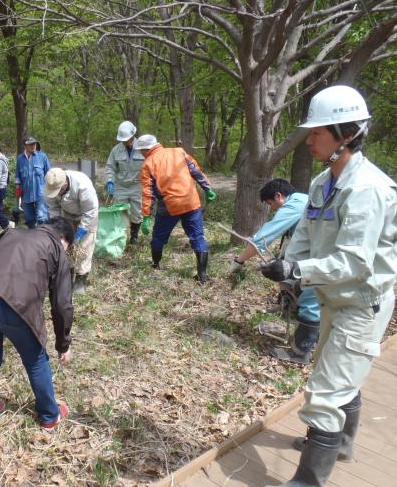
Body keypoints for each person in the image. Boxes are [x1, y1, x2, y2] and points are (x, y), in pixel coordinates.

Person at [259, 85, 396, 487]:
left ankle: (307, 481)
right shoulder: (322, 182)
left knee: (325, 392)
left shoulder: (368, 189)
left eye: (318, 132)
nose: (310, 139)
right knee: (335, 374)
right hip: (332, 297)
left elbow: (355, 262)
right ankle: (341, 444)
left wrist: (300, 273)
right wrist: (285, 267)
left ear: (347, 134)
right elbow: (304, 234)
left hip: (361, 303)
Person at [0, 217, 74, 429]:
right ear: (63, 238)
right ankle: (50, 415)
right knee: (36, 359)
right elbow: (62, 303)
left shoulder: (11, 234)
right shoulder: (57, 249)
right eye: (68, 246)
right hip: (13, 305)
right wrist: (64, 344)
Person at [229, 179, 321, 364]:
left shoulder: (294, 206)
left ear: (278, 196)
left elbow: (262, 239)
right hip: (321, 257)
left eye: (271, 204)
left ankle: (299, 352)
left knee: (310, 302)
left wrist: (238, 261)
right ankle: (315, 341)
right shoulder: (306, 199)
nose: (273, 209)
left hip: (316, 260)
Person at [135, 134, 217, 282]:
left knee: (159, 236)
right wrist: (208, 188)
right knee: (198, 237)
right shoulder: (179, 151)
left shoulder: (148, 164)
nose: (140, 153)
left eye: (140, 150)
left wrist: (146, 216)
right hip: (191, 201)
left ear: (146, 149)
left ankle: (156, 264)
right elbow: (195, 171)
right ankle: (202, 275)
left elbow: (148, 193)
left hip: (169, 205)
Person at [44, 168, 98, 295]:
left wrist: (81, 232)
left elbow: (90, 212)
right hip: (66, 215)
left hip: (85, 215)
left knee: (84, 248)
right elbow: (53, 209)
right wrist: (58, 228)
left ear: (65, 184)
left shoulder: (83, 186)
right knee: (66, 247)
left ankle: (81, 279)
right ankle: (67, 275)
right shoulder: (50, 185)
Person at [105, 121, 145, 244]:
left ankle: (134, 237)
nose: (124, 141)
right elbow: (110, 167)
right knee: (119, 211)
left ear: (133, 136)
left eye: (126, 139)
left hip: (137, 185)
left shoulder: (143, 148)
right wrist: (110, 181)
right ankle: (120, 235)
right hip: (120, 186)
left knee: (137, 212)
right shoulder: (116, 150)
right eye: (123, 140)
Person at [15, 135, 51, 228]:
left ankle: (44, 237)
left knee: (42, 218)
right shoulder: (20, 159)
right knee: (29, 219)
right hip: (26, 193)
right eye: (30, 144)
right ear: (25, 145)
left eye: (34, 143)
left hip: (41, 192)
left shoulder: (42, 157)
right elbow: (18, 176)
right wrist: (18, 190)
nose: (33, 146)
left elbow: (50, 174)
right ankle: (33, 237)